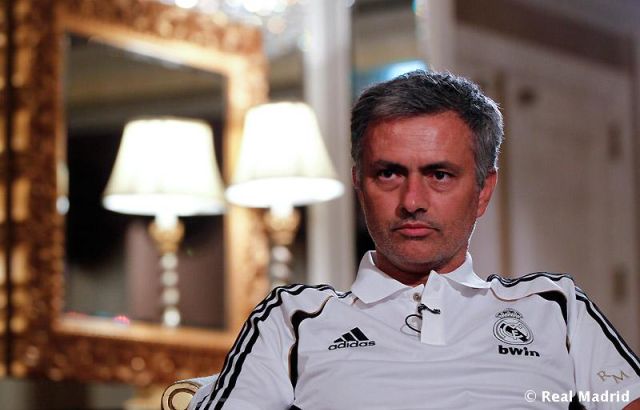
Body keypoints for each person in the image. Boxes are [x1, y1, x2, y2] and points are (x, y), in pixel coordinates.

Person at [192, 71, 640, 409]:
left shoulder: (555, 306)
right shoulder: (294, 317)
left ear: (483, 190)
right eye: (389, 173)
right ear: (360, 184)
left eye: (439, 175)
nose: (411, 202)